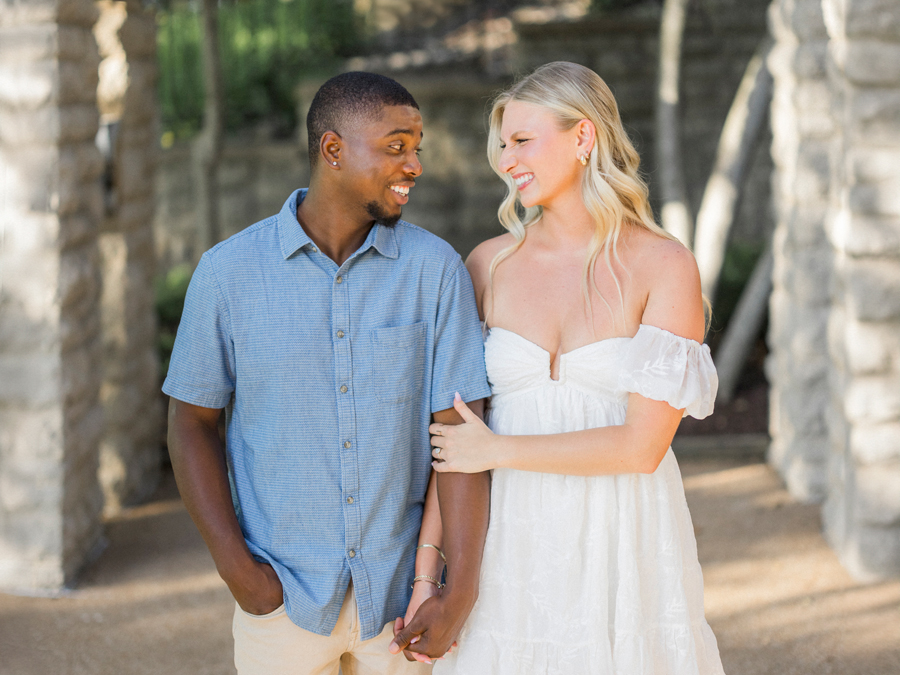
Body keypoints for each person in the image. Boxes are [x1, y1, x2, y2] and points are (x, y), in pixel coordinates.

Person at [163, 71, 492, 675]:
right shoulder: (227, 274)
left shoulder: (435, 271)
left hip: (401, 608)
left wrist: (459, 588)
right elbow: (190, 424)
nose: (415, 164)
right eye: (396, 146)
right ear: (333, 150)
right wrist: (240, 571)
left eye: (417, 146)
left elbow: (462, 437)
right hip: (281, 601)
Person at [425, 62, 726, 674]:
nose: (506, 160)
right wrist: (429, 574)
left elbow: (641, 448)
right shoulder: (488, 265)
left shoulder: (663, 266)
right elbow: (453, 441)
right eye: (502, 145)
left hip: (622, 537)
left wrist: (497, 450)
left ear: (584, 138)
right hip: (509, 537)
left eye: (522, 141)